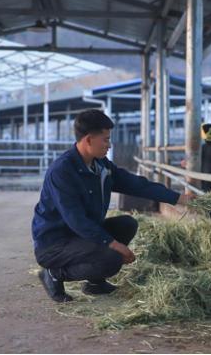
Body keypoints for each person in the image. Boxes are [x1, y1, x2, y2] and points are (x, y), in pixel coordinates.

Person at [31, 109, 194, 302]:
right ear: (89, 140)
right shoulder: (63, 171)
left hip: (79, 235)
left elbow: (135, 184)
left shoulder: (101, 165)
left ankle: (95, 283)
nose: (109, 145)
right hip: (55, 243)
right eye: (106, 139)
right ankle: (54, 273)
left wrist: (178, 198)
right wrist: (114, 245)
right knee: (112, 258)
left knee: (127, 224)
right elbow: (77, 221)